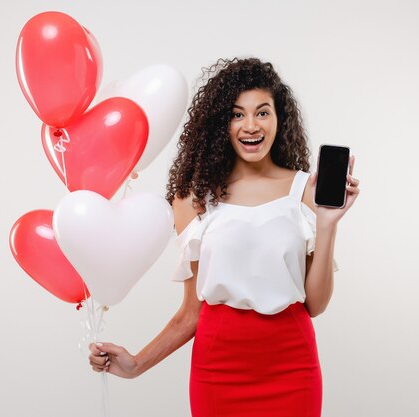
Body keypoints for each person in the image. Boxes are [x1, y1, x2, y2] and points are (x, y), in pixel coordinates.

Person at [89, 57, 360, 417]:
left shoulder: (304, 190)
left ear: (280, 119)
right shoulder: (193, 199)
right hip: (218, 371)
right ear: (221, 124)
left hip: (292, 367)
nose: (251, 125)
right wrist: (137, 363)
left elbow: (315, 304)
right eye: (237, 114)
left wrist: (328, 225)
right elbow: (191, 313)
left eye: (263, 112)